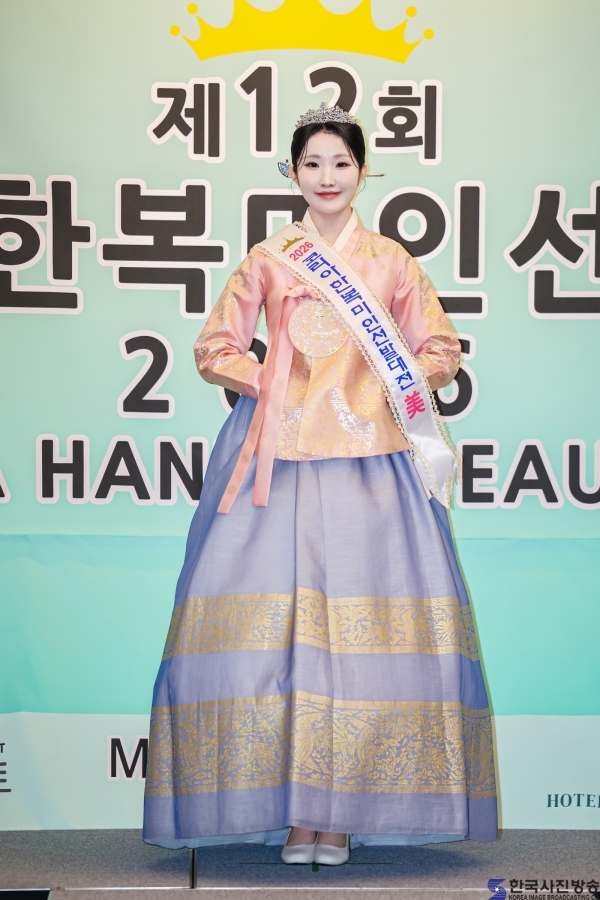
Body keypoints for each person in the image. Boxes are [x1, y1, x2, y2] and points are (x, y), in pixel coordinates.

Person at [143, 103, 497, 866]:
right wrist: (270, 380)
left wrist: (385, 385)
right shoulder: (270, 259)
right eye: (312, 164)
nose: (327, 177)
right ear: (292, 172)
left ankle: (336, 816)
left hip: (370, 463)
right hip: (277, 458)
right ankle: (293, 811)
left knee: (362, 636)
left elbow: (439, 348)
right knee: (277, 636)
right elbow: (214, 347)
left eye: (341, 162)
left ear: (363, 170)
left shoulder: (391, 261)